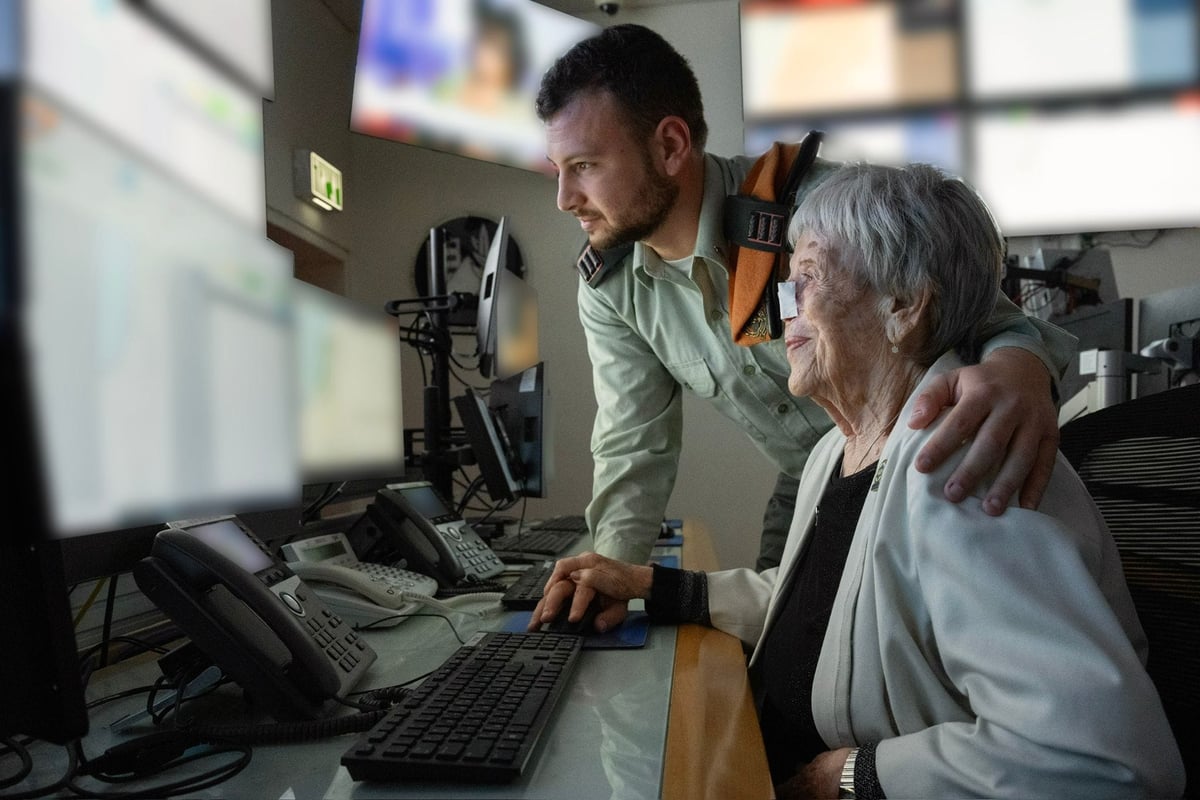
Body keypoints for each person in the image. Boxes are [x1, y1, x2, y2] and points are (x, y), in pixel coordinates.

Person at [531, 162, 1185, 799]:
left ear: (903, 304)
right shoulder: (834, 451)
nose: (783, 307)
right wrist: (653, 585)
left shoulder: (960, 460)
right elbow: (835, 616)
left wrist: (855, 777)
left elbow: (1104, 760)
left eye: (808, 279)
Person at [536, 24, 1076, 574]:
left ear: (671, 145)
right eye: (558, 170)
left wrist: (1020, 370)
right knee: (767, 644)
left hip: (921, 458)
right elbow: (633, 446)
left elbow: (987, 316)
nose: (564, 199)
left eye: (584, 166)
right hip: (811, 472)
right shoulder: (612, 285)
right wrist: (604, 572)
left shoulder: (821, 212)